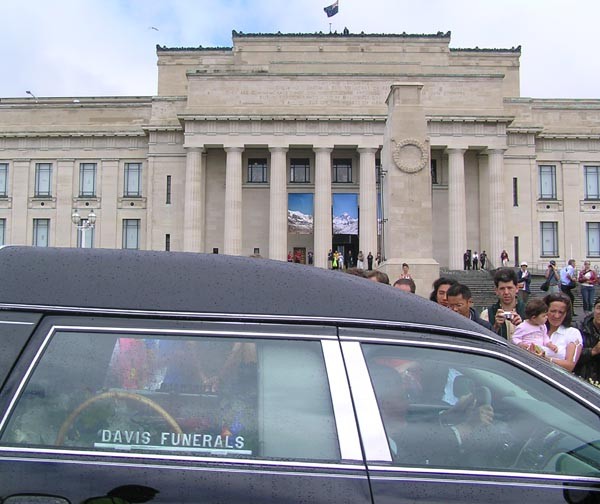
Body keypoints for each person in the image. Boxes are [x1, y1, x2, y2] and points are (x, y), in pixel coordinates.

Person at [369, 363, 495, 467]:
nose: (407, 403)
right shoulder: (380, 453)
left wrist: (451, 414)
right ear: (383, 402)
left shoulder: (384, 436)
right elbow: (423, 449)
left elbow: (416, 437)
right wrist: (468, 427)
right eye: (402, 396)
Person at [480, 268, 525, 341]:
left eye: (510, 288)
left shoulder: (528, 312)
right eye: (502, 289)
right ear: (496, 291)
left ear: (517, 288)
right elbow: (483, 342)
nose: (506, 292)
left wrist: (522, 326)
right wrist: (495, 327)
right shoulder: (487, 314)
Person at [543, 292, 582, 372]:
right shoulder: (537, 329)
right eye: (553, 311)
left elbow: (570, 366)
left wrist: (544, 358)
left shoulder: (572, 333)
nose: (557, 316)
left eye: (561, 312)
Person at [575, 296, 600, 382]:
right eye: (599, 308)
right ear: (594, 309)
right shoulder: (578, 328)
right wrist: (593, 351)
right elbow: (569, 356)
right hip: (582, 379)